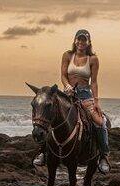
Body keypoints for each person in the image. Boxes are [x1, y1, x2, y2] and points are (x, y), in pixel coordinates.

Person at [33, 29, 110, 174]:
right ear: (75, 41)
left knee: (100, 122)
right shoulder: (67, 55)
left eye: (84, 40)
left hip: (85, 95)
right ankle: (42, 152)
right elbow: (63, 75)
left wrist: (96, 101)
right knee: (51, 117)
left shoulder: (93, 59)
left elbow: (94, 82)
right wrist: (67, 86)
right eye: (79, 39)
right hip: (67, 94)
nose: (81, 42)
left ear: (88, 42)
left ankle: (104, 156)